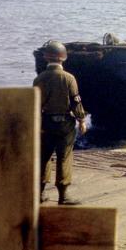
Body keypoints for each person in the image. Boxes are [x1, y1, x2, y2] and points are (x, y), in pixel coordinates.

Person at [34, 40, 87, 205]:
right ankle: (63, 196)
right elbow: (75, 102)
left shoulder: (39, 78)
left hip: (45, 123)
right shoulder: (69, 78)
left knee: (44, 157)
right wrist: (81, 120)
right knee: (64, 157)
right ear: (63, 58)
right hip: (65, 125)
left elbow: (35, 104)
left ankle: (40, 194)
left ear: (46, 58)